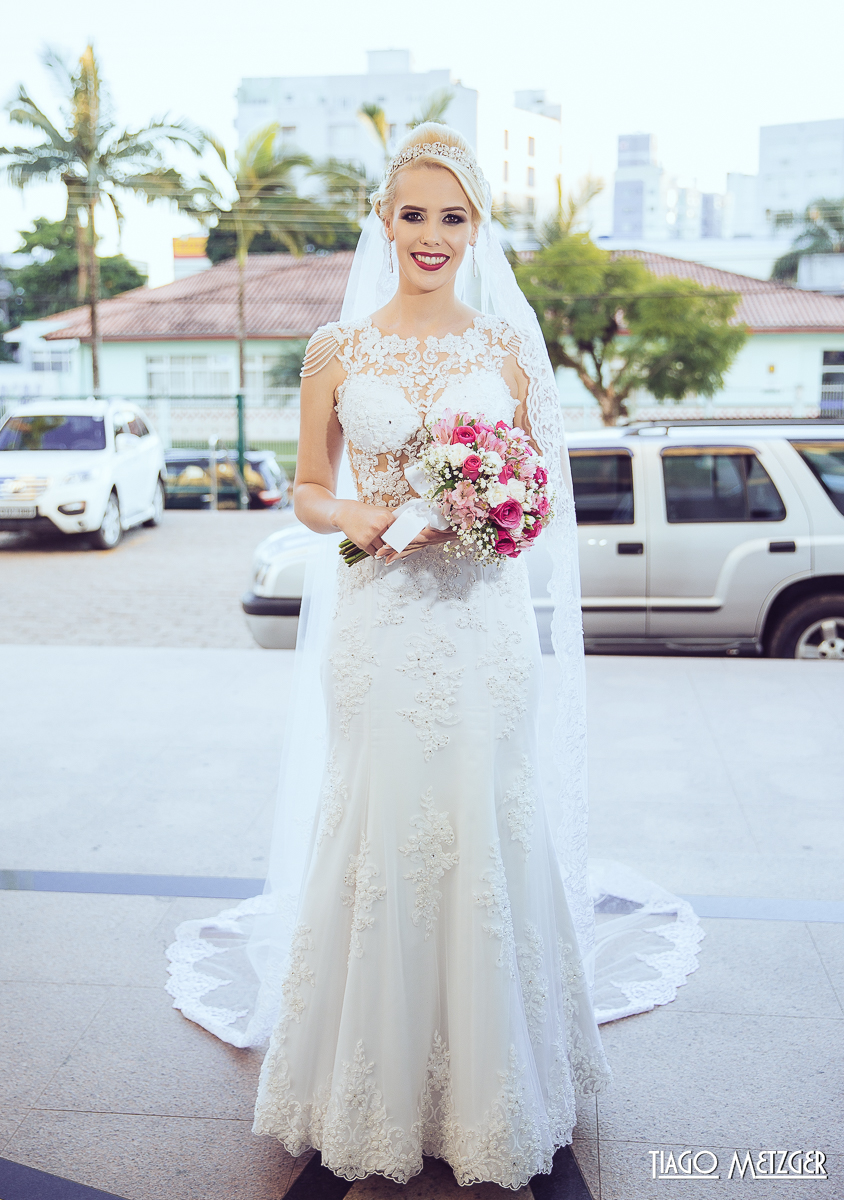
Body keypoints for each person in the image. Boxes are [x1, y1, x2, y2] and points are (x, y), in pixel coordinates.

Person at [166, 123, 703, 1190]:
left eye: (450, 217)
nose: (429, 234)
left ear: (475, 230)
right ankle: (365, 1083)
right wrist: (373, 516)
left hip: (481, 627)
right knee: (380, 824)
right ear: (383, 219)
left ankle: (499, 1080)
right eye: (411, 213)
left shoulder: (506, 350)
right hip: (381, 624)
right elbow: (307, 489)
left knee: (482, 820)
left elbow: (540, 503)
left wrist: (483, 509)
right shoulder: (336, 349)